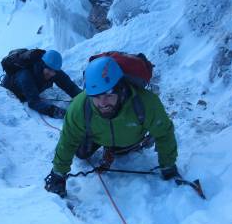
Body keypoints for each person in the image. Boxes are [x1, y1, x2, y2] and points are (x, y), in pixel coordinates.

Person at [45, 56, 179, 197]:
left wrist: (168, 165)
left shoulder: (146, 103)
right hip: (97, 135)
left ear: (121, 89)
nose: (102, 103)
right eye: (96, 97)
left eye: (108, 94)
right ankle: (112, 146)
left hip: (129, 135)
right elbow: (68, 140)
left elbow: (164, 133)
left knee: (121, 150)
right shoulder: (79, 107)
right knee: (81, 153)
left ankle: (125, 147)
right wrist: (58, 173)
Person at [1, 49, 81, 118]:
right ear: (42, 65)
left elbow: (70, 87)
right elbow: (34, 102)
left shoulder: (53, 69)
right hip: (10, 95)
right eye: (49, 70)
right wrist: (59, 112)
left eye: (54, 71)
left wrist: (86, 98)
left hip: (30, 89)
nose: (51, 74)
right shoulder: (25, 76)